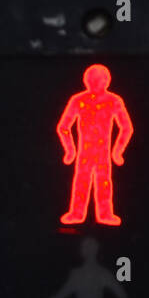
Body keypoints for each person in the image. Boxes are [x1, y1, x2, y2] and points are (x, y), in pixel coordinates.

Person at [55, 63, 133, 226]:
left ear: (107, 81)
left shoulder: (113, 101)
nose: (96, 84)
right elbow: (63, 127)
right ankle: (77, 213)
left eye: (100, 80)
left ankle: (104, 214)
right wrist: (70, 150)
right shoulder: (78, 100)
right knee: (82, 180)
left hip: (102, 152)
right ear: (86, 81)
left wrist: (117, 151)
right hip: (85, 151)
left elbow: (126, 127)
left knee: (103, 181)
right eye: (93, 80)